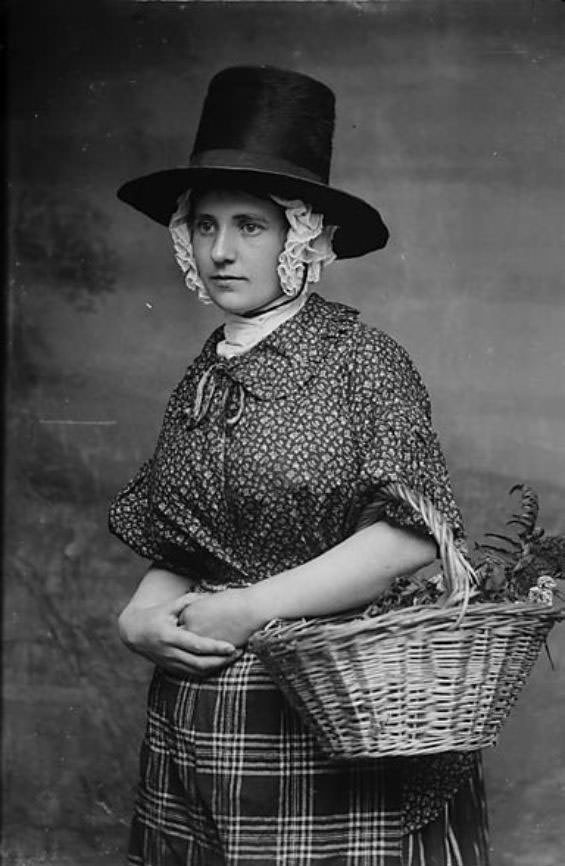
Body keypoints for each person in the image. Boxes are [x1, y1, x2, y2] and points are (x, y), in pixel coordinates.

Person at [110, 66, 490, 866]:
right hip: (199, 719)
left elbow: (411, 537)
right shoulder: (206, 371)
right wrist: (141, 617)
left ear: (299, 236)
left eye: (248, 225)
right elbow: (184, 538)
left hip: (326, 711)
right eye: (204, 225)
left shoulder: (362, 361)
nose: (219, 251)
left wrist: (246, 610)